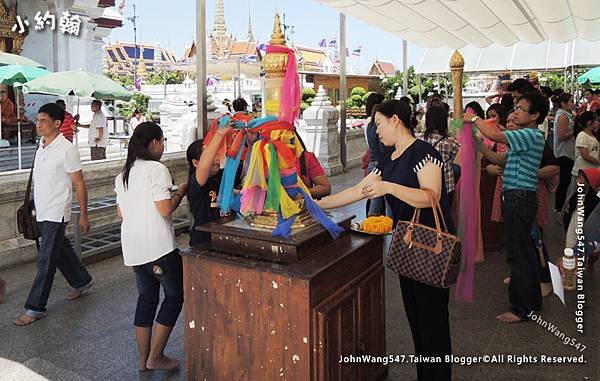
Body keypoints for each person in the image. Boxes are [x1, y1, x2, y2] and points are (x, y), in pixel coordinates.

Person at [318, 100, 454, 381]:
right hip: (408, 247)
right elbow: (358, 191)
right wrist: (318, 204)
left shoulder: (423, 153)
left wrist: (388, 187)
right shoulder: (389, 159)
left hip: (431, 246)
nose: (376, 131)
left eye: (378, 124)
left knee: (433, 324)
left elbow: (432, 196)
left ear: (395, 120)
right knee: (416, 322)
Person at [465, 91, 549, 324]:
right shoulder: (525, 136)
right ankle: (531, 302)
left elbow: (494, 133)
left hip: (519, 199)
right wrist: (478, 143)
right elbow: (501, 160)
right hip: (518, 198)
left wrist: (472, 118)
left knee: (518, 254)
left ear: (535, 115)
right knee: (525, 251)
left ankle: (521, 308)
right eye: (517, 108)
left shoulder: (530, 134)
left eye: (522, 109)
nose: (516, 112)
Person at [114, 121, 187, 371]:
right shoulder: (156, 169)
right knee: (175, 296)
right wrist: (180, 192)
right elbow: (165, 209)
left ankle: (143, 360)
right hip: (158, 247)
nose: (163, 146)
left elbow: (121, 212)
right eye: (163, 140)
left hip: (134, 248)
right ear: (155, 143)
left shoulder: (123, 173)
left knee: (146, 299)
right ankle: (156, 356)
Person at [15, 103, 93, 326]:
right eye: (38, 120)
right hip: (41, 210)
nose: (38, 125)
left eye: (43, 121)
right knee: (59, 251)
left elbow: (79, 183)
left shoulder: (67, 149)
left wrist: (84, 214)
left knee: (46, 260)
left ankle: (35, 307)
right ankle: (81, 281)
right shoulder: (41, 145)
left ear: (57, 124)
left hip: (57, 211)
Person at [484, 111, 559, 298]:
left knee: (534, 241)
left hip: (526, 194)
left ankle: (543, 281)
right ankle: (523, 279)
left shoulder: (530, 138)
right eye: (507, 120)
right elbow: (500, 160)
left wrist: (530, 173)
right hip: (513, 194)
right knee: (520, 243)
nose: (510, 123)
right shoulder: (511, 144)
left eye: (515, 117)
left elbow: (554, 167)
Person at [186, 119, 231, 247]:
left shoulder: (220, 176)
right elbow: (204, 167)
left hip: (222, 238)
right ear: (195, 163)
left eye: (218, 154)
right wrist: (219, 134)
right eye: (212, 156)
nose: (216, 158)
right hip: (203, 241)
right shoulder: (196, 183)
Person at [416, 105, 461, 203]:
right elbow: (464, 153)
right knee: (444, 215)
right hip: (446, 185)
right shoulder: (449, 142)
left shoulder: (418, 140)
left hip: (423, 186)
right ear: (444, 122)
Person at [552, 92, 576, 212]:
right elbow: (562, 135)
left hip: (566, 152)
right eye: (571, 101)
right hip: (564, 153)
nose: (573, 104)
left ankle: (560, 206)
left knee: (565, 181)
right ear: (563, 103)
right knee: (564, 181)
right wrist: (576, 130)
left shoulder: (566, 115)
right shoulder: (563, 116)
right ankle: (559, 207)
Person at [364, 92, 386, 215]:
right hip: (380, 163)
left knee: (374, 199)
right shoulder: (378, 128)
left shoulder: (369, 125)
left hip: (372, 163)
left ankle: (371, 223)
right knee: (381, 201)